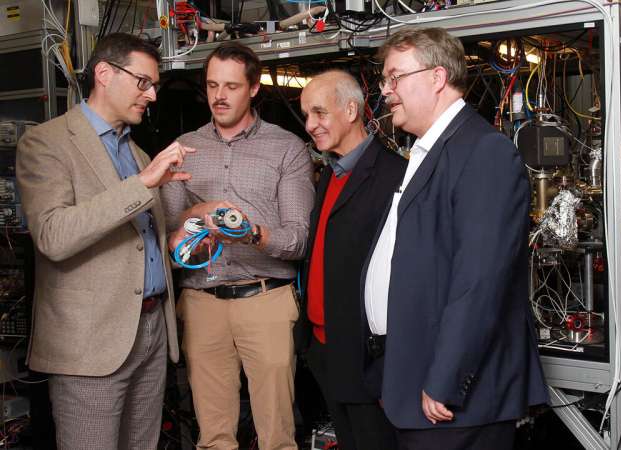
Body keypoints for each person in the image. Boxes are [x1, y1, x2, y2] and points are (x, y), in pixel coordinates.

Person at [362, 28, 548, 449]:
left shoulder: (483, 151)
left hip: (452, 400)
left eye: (395, 77)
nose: (385, 91)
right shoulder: (429, 148)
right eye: (385, 80)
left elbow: (479, 281)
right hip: (412, 380)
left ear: (437, 77)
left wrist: (445, 379)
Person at [16, 33, 190, 449]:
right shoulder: (47, 144)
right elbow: (53, 236)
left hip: (151, 331)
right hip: (90, 344)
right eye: (143, 82)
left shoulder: (138, 154)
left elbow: (138, 243)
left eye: (154, 86)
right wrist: (142, 185)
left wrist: (180, 238)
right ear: (105, 74)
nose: (151, 96)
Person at [162, 42, 313, 450]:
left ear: (253, 89)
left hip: (265, 299)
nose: (220, 96)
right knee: (213, 437)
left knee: (277, 437)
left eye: (231, 86)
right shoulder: (183, 149)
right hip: (202, 303)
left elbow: (298, 238)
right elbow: (169, 233)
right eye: (213, 85)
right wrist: (198, 219)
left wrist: (250, 233)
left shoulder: (287, 148)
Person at [295, 70, 406, 450]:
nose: (310, 125)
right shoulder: (330, 174)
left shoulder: (394, 175)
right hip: (325, 350)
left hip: (366, 358)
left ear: (351, 110)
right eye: (306, 115)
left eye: (319, 113)